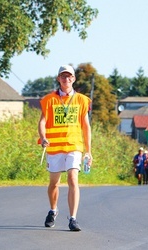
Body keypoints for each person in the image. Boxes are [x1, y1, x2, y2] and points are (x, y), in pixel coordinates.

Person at [38, 64, 92, 231]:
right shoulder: (49, 100)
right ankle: (53, 210)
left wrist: (88, 151)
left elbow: (86, 126)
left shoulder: (82, 100)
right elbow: (42, 121)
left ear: (74, 79)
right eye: (63, 76)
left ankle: (73, 218)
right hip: (54, 147)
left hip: (74, 146)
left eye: (69, 76)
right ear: (58, 79)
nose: (66, 79)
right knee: (54, 183)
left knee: (72, 179)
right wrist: (43, 137)